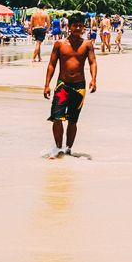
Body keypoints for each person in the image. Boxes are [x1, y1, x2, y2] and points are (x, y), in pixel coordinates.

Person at [43, 13, 98, 157]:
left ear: (83, 27)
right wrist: (47, 84)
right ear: (69, 27)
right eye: (75, 25)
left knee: (73, 120)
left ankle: (67, 149)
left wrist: (94, 79)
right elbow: (52, 65)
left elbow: (92, 62)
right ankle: (58, 148)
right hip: (62, 85)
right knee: (57, 117)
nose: (78, 28)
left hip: (79, 87)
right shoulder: (59, 44)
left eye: (80, 25)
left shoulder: (87, 44)